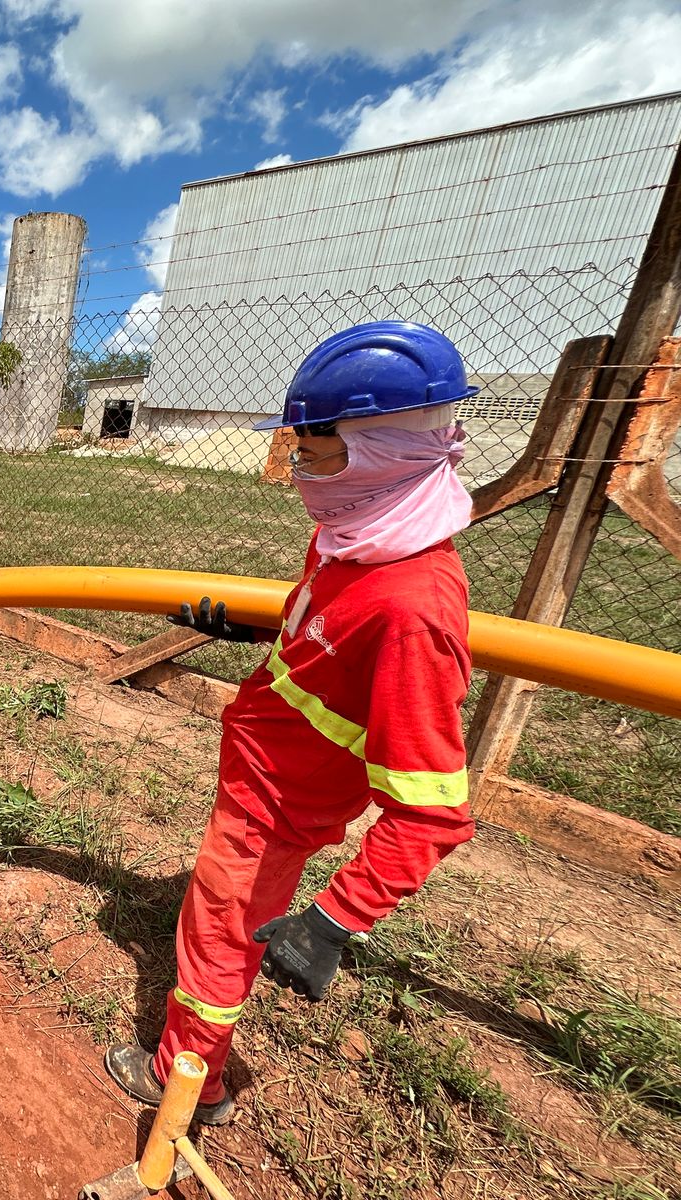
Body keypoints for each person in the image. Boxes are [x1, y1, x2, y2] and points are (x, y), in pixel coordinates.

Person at [104, 321, 478, 1123]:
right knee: (214, 923)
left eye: (317, 450)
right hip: (262, 773)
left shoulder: (413, 609)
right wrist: (254, 630)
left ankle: (187, 1083)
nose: (301, 469)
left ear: (383, 450)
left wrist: (334, 921)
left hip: (280, 807)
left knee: (217, 937)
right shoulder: (358, 535)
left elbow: (434, 811)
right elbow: (324, 635)